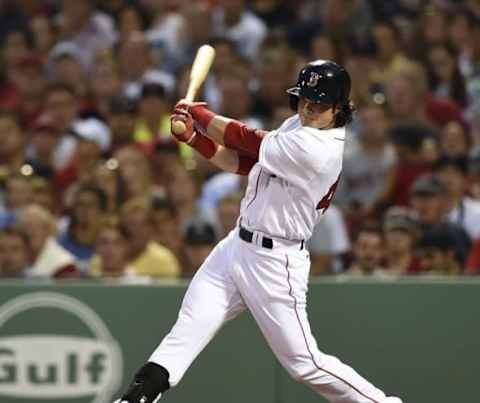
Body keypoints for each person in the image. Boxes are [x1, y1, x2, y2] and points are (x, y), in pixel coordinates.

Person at [114, 60, 402, 403]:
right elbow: (243, 162)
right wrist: (193, 137)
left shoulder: (320, 149)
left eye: (319, 103)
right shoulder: (298, 125)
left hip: (276, 260)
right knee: (190, 326)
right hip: (237, 244)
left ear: (339, 108)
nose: (309, 109)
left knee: (305, 363)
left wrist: (199, 114)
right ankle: (138, 396)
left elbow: (246, 139)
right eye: (304, 100)